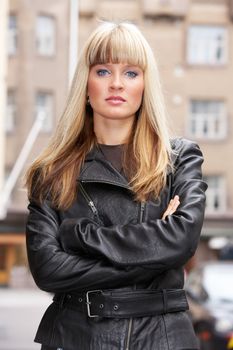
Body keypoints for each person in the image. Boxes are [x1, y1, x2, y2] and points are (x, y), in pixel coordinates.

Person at [25, 21, 207, 350]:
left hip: (163, 338)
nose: (117, 84)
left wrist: (80, 236)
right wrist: (154, 255)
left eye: (131, 73)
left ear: (144, 84)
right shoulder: (51, 171)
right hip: (77, 337)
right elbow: (49, 270)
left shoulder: (178, 158)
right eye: (104, 71)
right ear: (86, 83)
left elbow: (181, 241)